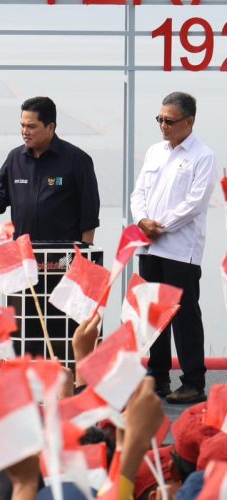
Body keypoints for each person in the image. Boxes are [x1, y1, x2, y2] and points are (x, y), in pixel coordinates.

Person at [130, 91, 216, 404]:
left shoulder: (203, 156)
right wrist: (142, 221)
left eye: (170, 120)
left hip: (180, 248)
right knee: (153, 313)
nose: (163, 126)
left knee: (184, 315)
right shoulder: (155, 151)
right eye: (160, 119)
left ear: (189, 122)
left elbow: (195, 204)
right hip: (149, 246)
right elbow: (138, 192)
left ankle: (193, 381)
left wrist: (160, 226)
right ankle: (158, 376)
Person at [0, 96, 100, 244]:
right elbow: (2, 194)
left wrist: (85, 253)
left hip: (63, 256)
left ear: (51, 127)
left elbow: (89, 213)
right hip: (24, 254)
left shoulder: (77, 160)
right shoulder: (15, 158)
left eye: (31, 126)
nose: (24, 131)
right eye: (22, 125)